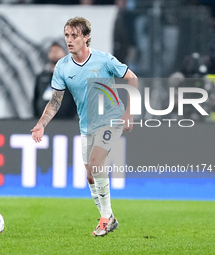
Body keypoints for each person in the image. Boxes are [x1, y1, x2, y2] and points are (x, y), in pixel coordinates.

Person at [31, 17, 138, 236]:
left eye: (74, 36)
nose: (69, 40)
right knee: (90, 175)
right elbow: (55, 101)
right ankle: (110, 217)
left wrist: (129, 113)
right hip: (87, 124)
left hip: (111, 119)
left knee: (96, 163)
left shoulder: (104, 60)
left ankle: (105, 219)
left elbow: (132, 78)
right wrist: (41, 125)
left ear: (86, 37)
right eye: (67, 36)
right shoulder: (62, 66)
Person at [33, 41, 77, 119]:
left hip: (66, 121)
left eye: (57, 51)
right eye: (52, 51)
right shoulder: (42, 76)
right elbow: (36, 98)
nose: (54, 54)